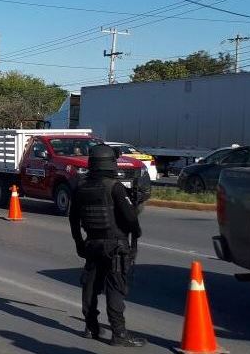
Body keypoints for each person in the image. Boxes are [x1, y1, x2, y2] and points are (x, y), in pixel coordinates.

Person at [69, 144, 146, 347]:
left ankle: (91, 327)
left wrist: (79, 243)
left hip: (92, 243)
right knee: (115, 288)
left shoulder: (81, 187)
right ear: (111, 163)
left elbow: (73, 219)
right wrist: (136, 227)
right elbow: (130, 218)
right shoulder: (115, 187)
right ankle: (118, 333)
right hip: (115, 246)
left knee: (91, 286)